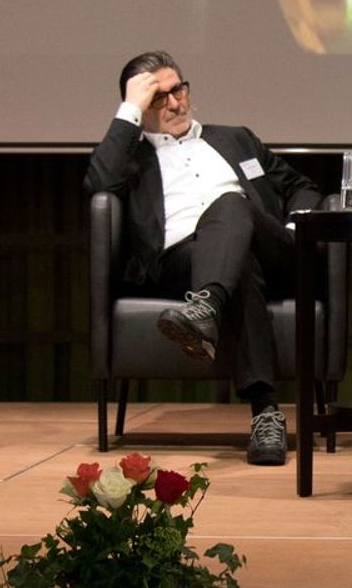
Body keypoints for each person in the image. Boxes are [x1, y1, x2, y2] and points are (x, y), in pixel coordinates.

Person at [84, 52, 322, 465]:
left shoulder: (236, 139)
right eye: (160, 98)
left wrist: (290, 227)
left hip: (272, 252)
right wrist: (129, 110)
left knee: (230, 203)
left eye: (179, 90)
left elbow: (302, 187)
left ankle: (206, 307)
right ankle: (265, 412)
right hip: (181, 261)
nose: (176, 103)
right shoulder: (131, 159)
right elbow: (99, 183)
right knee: (239, 264)